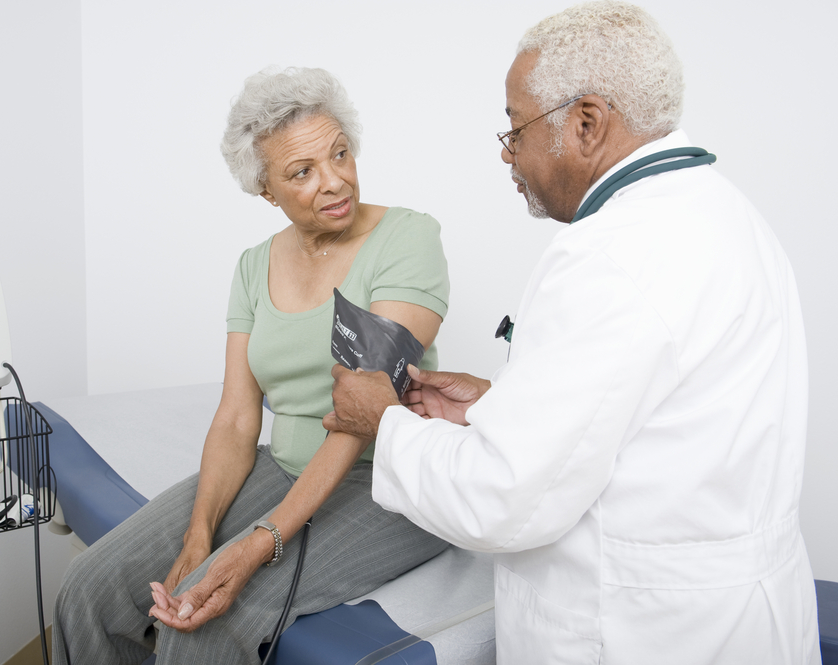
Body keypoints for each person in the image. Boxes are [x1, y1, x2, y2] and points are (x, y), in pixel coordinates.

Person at [324, 2, 822, 663]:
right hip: (738, 615)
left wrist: (383, 423)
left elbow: (503, 501)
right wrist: (501, 407)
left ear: (587, 123)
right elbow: (657, 421)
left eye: (516, 129)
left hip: (638, 630)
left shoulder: (610, 255)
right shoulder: (726, 214)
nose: (509, 156)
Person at [51, 67, 450, 664]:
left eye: (340, 153)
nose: (335, 181)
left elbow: (360, 413)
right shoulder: (252, 266)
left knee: (204, 625)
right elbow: (239, 417)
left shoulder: (408, 239)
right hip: (283, 465)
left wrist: (259, 542)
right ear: (267, 192)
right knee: (86, 593)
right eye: (302, 172)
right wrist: (199, 535)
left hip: (388, 483)